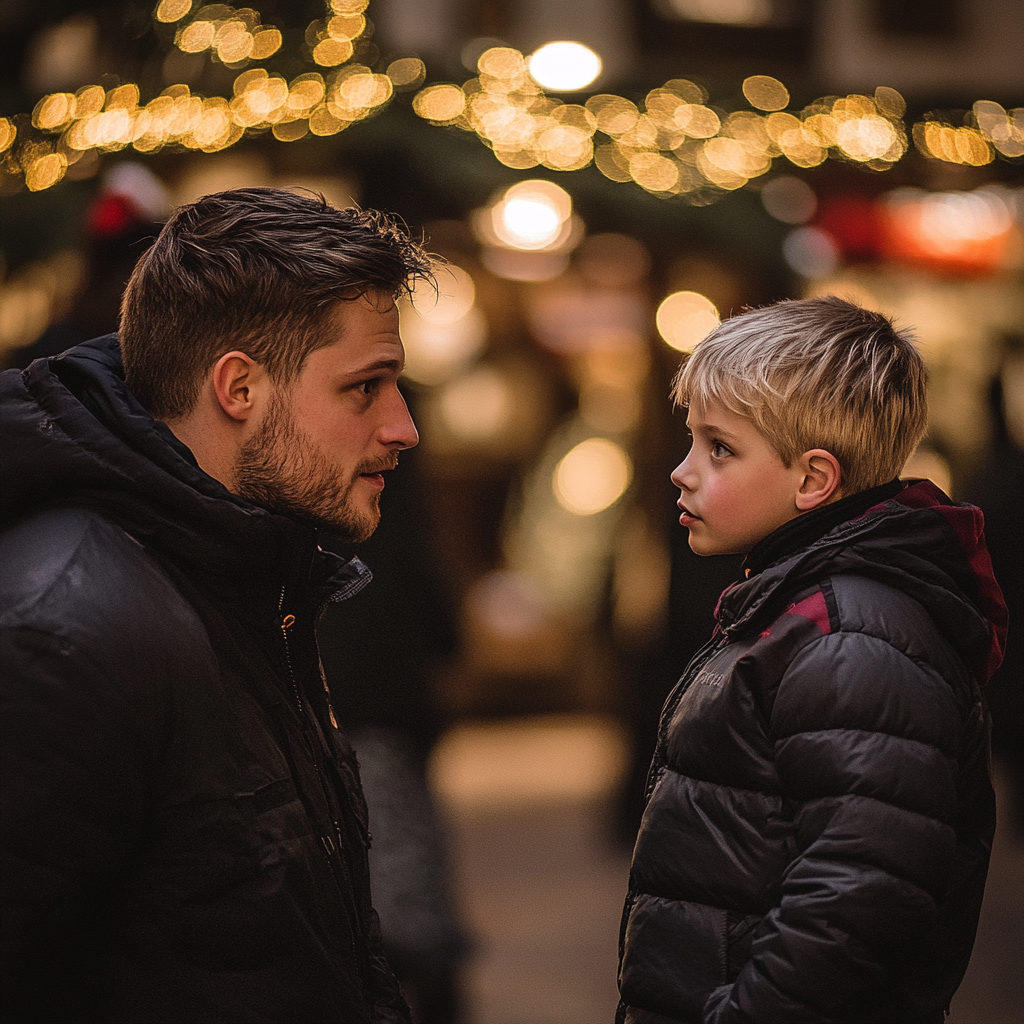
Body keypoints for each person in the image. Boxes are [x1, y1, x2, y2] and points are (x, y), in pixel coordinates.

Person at [0, 187, 433, 1023]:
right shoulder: (62, 632)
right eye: (364, 388)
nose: (403, 427)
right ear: (239, 386)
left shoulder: (242, 577)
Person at [617, 296, 1007, 1024]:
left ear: (813, 479)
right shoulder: (801, 608)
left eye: (718, 448)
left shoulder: (850, 633)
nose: (682, 470)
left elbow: (859, 893)